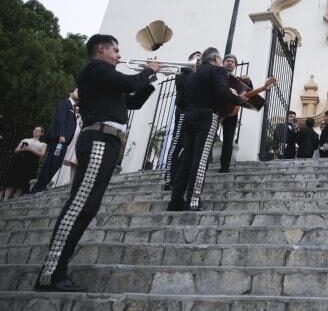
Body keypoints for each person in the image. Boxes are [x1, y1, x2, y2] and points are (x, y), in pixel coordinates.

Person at [35, 34, 159, 292]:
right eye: (115, 50)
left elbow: (133, 101)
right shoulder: (96, 69)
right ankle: (51, 273)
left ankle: (57, 270)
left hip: (108, 141)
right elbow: (129, 82)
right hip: (99, 139)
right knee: (80, 203)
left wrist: (150, 80)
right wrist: (148, 70)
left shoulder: (104, 82)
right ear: (101, 49)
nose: (119, 55)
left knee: (88, 206)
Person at [168, 48, 256, 211]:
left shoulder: (192, 75)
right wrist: (239, 99)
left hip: (189, 116)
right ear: (216, 58)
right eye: (221, 59)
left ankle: (175, 200)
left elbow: (180, 100)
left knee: (186, 159)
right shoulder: (217, 71)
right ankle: (193, 201)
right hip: (207, 117)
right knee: (200, 160)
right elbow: (223, 92)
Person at [163, 51, 201, 190]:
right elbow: (183, 90)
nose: (199, 60)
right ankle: (169, 179)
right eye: (196, 57)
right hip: (184, 112)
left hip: (194, 113)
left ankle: (180, 177)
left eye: (201, 58)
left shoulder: (200, 75)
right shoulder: (182, 72)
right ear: (190, 60)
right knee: (176, 143)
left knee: (189, 147)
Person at [32, 89, 78, 193]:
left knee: (56, 163)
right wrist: (61, 135)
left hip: (65, 141)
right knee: (51, 161)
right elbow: (60, 119)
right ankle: (38, 187)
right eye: (77, 91)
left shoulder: (73, 108)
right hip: (59, 139)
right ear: (70, 93)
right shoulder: (65, 103)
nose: (79, 93)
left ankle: (42, 185)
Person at [3, 126, 47, 200]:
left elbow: (42, 154)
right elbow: (16, 150)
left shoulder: (43, 144)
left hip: (31, 164)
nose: (35, 131)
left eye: (38, 130)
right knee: (12, 180)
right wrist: (23, 149)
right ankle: (5, 199)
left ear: (41, 133)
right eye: (34, 130)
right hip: (20, 161)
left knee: (23, 182)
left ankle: (15, 200)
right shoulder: (25, 140)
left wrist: (31, 149)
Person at [220, 54, 241, 172]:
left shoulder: (237, 81)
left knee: (228, 140)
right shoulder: (217, 75)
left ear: (235, 66)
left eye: (233, 62)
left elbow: (246, 93)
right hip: (216, 109)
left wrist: (249, 82)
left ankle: (225, 166)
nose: (230, 63)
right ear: (223, 63)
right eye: (228, 61)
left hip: (231, 112)